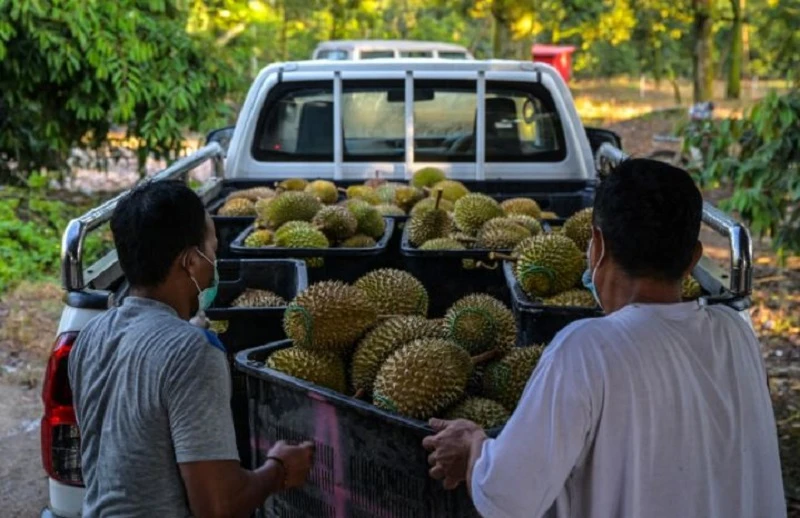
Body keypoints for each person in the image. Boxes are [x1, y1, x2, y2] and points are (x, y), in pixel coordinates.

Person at [422, 158, 786, 518]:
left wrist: (473, 447)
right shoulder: (737, 332)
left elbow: (506, 497)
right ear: (694, 259)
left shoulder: (586, 350)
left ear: (597, 244)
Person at [68, 180, 314, 517]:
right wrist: (279, 469)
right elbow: (217, 507)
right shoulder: (192, 352)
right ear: (190, 262)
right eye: (212, 249)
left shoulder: (90, 337)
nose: (215, 262)